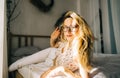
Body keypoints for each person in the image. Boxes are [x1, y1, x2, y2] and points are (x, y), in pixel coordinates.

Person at [40, 11, 107, 78]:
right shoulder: (65, 42)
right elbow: (54, 46)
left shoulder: (78, 46)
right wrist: (52, 38)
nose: (68, 31)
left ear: (80, 28)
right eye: (66, 27)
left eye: (73, 27)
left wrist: (63, 70)